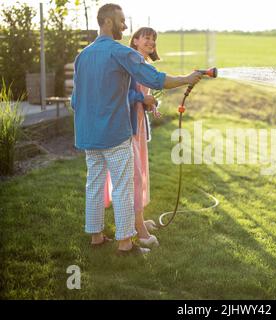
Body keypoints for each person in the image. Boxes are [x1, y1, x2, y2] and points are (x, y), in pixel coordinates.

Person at [71, 3, 202, 255]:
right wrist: (186, 78)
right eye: (121, 20)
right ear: (107, 22)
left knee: (95, 185)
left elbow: (75, 101)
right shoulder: (120, 52)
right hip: (115, 134)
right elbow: (154, 78)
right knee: (122, 187)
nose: (125, 26)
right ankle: (125, 244)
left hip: (88, 136)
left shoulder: (82, 56)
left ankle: (97, 237)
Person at [103, 27, 162, 248]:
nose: (151, 41)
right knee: (134, 177)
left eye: (154, 39)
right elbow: (123, 94)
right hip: (127, 127)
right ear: (135, 40)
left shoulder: (145, 65)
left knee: (141, 173)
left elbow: (143, 97)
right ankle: (139, 227)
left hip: (139, 127)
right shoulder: (128, 64)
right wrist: (142, 98)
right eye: (147, 37)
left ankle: (139, 217)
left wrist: (150, 104)